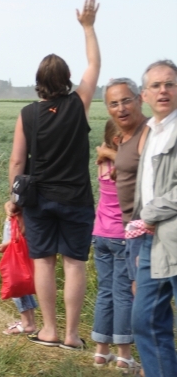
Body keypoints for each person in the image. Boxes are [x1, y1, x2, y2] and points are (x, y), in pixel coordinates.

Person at [5, 0, 100, 350]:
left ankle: (49, 330)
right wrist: (88, 27)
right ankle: (73, 336)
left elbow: (17, 163)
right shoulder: (79, 103)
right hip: (77, 198)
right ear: (67, 80)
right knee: (75, 265)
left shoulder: (28, 114)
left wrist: (14, 201)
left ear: (38, 82)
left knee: (43, 262)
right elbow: (94, 64)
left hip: (39, 200)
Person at [131, 59, 177, 376]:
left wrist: (149, 214)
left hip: (173, 238)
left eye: (170, 84)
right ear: (144, 95)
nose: (163, 90)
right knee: (144, 319)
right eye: (156, 86)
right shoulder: (150, 130)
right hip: (151, 241)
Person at [90, 120, 138, 372]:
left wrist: (106, 151)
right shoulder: (126, 169)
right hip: (122, 237)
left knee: (104, 292)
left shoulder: (102, 164)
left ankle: (100, 352)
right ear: (120, 141)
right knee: (122, 294)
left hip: (100, 234)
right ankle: (123, 355)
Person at [98, 78, 148, 294]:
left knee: (141, 294)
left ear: (139, 100)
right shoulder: (127, 137)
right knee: (137, 292)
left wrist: (108, 153)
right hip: (130, 230)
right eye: (114, 103)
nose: (121, 108)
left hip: (148, 227)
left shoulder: (149, 133)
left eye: (126, 101)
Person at [0, 215, 38, 336]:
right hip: (16, 243)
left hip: (17, 244)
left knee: (16, 282)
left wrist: (8, 243)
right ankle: (29, 321)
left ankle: (27, 324)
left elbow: (24, 231)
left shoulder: (22, 207)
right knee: (23, 281)